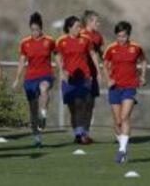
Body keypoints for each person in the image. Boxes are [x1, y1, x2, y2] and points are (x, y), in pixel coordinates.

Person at [103, 21, 147, 163]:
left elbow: (144, 61)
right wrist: (108, 79)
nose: (121, 39)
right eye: (119, 36)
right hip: (115, 88)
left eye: (123, 36)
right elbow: (105, 65)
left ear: (128, 35)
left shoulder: (136, 48)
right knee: (117, 122)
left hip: (130, 87)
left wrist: (143, 76)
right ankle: (123, 147)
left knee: (124, 117)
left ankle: (121, 150)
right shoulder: (111, 49)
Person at [12, 12, 56, 148]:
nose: (34, 32)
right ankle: (37, 138)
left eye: (37, 30)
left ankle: (43, 114)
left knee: (44, 88)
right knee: (32, 109)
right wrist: (17, 79)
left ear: (41, 29)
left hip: (46, 75)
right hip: (30, 78)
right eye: (32, 30)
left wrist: (63, 69)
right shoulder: (25, 43)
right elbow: (21, 61)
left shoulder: (49, 41)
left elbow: (58, 55)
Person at [56, 16, 101, 144]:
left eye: (80, 26)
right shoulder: (61, 41)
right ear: (69, 28)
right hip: (69, 79)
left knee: (83, 103)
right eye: (76, 27)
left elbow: (92, 54)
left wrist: (98, 71)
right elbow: (58, 57)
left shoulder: (86, 39)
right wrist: (62, 70)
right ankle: (77, 134)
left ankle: (83, 134)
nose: (79, 29)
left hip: (84, 77)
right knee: (73, 108)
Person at [79, 10, 104, 141]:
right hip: (81, 75)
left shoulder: (98, 36)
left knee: (90, 103)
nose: (98, 24)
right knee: (81, 103)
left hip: (93, 75)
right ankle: (80, 132)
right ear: (89, 22)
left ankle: (85, 133)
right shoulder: (80, 34)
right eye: (96, 21)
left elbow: (101, 54)